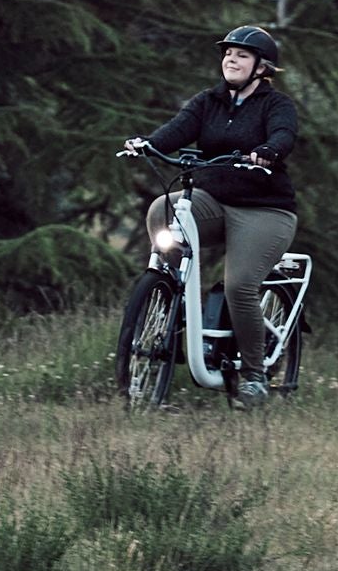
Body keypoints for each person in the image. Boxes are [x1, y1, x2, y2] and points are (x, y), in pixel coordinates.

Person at [127, 25, 300, 408]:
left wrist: (270, 150)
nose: (231, 59)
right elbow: (176, 131)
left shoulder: (276, 105)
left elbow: (284, 134)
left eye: (241, 54)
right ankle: (172, 287)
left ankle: (254, 376)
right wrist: (147, 144)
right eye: (227, 54)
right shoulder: (208, 102)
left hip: (265, 210)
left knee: (239, 286)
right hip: (214, 202)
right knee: (163, 208)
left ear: (261, 67)